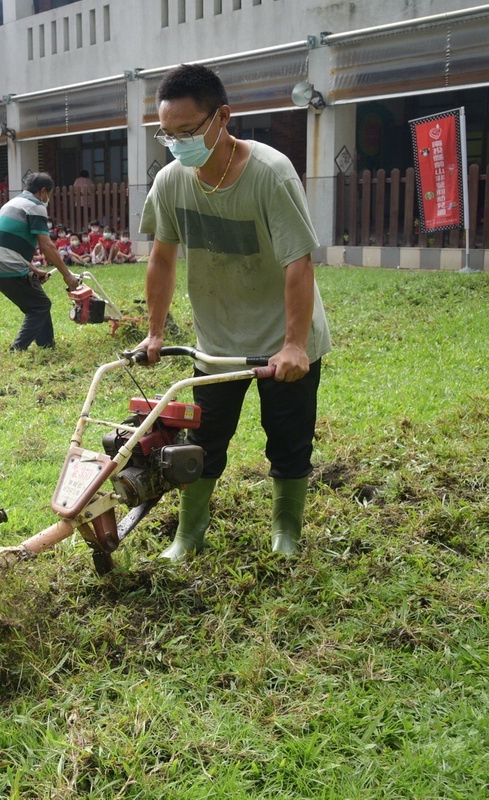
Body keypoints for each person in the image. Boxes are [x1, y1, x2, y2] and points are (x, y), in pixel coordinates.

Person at [136, 62, 331, 560]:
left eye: (188, 130)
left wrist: (293, 344)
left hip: (283, 342)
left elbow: (298, 262)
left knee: (288, 441)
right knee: (202, 441)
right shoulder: (172, 181)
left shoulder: (270, 173)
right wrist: (155, 333)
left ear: (222, 116)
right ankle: (189, 533)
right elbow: (161, 258)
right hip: (216, 345)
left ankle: (286, 531)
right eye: (168, 133)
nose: (178, 142)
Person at [0, 172, 82, 351]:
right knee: (39, 306)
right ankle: (17, 349)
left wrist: (34, 271)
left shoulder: (13, 202)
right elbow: (47, 246)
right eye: (49, 195)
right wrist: (67, 275)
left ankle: (46, 344)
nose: (48, 199)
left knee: (37, 301)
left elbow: (9, 243)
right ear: (43, 191)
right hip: (7, 265)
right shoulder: (35, 206)